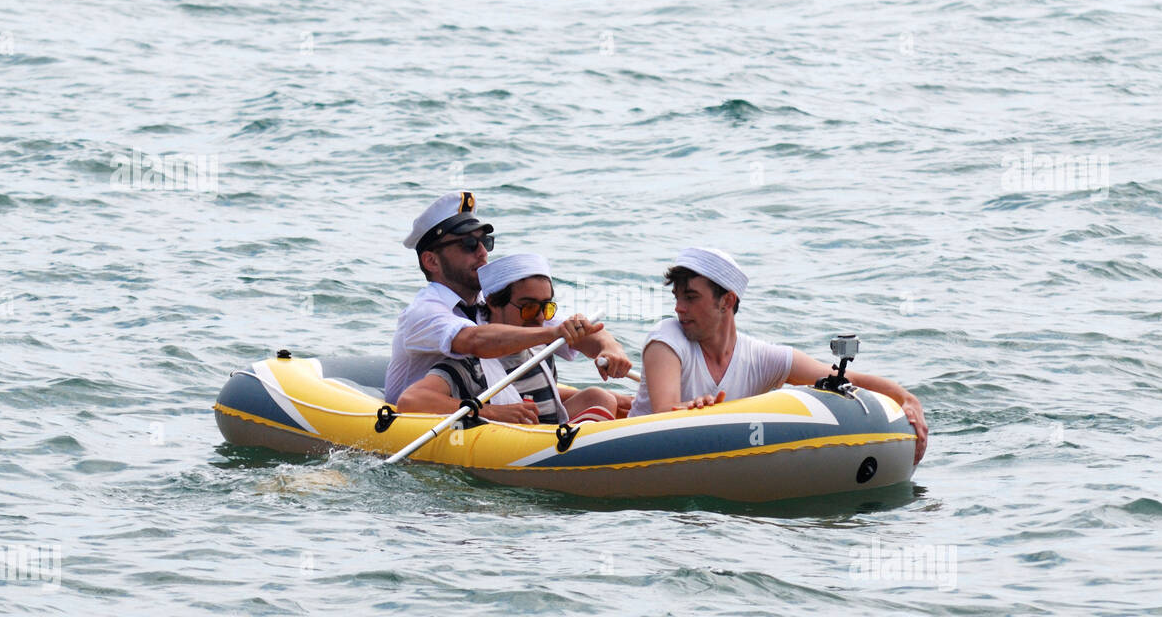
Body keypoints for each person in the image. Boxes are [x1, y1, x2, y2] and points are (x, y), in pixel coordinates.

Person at [628, 248, 928, 464]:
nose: (679, 307)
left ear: (727, 301)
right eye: (677, 297)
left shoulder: (760, 356)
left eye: (690, 297)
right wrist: (694, 410)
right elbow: (665, 416)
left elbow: (846, 379)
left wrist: (907, 399)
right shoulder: (667, 338)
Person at [383, 192, 632, 404]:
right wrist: (554, 334)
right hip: (420, 417)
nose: (482, 252)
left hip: (485, 415)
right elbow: (475, 341)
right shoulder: (423, 311)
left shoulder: (492, 303)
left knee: (601, 398)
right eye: (469, 244)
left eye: (485, 242)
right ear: (431, 260)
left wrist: (609, 347)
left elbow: (579, 332)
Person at [397, 254, 628, 424]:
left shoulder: (541, 351)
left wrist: (610, 348)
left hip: (547, 435)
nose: (539, 317)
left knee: (599, 397)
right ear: (493, 303)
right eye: (528, 307)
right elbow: (411, 400)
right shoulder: (470, 363)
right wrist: (489, 412)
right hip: (513, 448)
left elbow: (590, 334)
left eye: (546, 308)